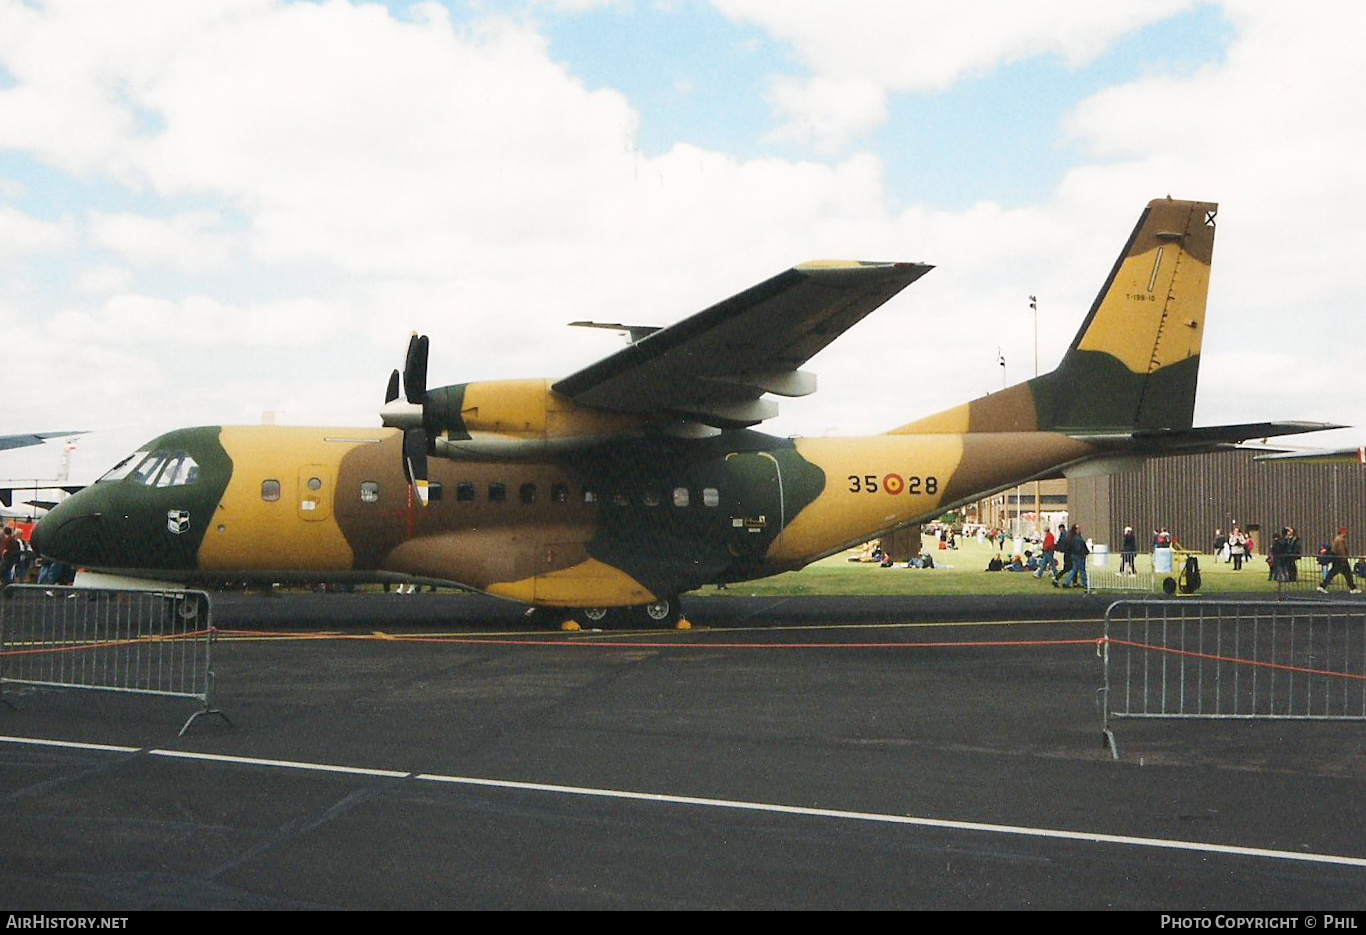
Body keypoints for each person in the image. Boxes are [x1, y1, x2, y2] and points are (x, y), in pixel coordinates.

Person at [1319, 526, 1361, 594]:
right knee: (1345, 574)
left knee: (1336, 573)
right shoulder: (1341, 539)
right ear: (1343, 532)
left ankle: (1323, 586)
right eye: (1346, 532)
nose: (1347, 534)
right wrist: (1344, 558)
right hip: (1340, 559)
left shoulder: (1337, 538)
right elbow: (1341, 550)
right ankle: (1353, 588)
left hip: (1337, 558)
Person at [1056, 524, 1090, 589]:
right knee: (1082, 570)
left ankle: (1066, 582)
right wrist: (1084, 552)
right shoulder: (1077, 538)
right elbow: (1079, 548)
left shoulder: (1072, 537)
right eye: (1078, 529)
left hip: (1074, 556)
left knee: (1074, 570)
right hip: (1079, 556)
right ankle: (1085, 584)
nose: (1080, 530)